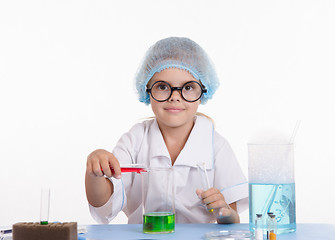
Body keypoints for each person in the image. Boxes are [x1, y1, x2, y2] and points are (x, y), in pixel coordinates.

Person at [85, 37, 248, 224]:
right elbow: (103, 203)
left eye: (188, 87)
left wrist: (224, 211)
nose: (175, 97)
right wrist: (94, 171)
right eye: (162, 87)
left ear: (203, 91)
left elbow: (232, 219)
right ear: (146, 91)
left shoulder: (216, 146)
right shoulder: (134, 141)